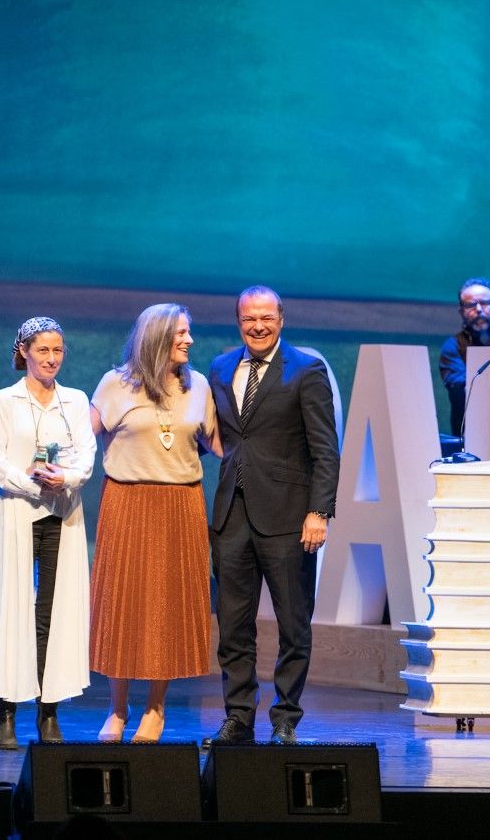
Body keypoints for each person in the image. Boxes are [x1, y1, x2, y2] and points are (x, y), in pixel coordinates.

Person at [202, 285, 340, 746]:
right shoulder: (221, 368)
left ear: (281, 318)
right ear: (237, 321)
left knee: (293, 624)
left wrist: (319, 510)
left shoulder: (306, 369)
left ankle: (285, 719)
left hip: (287, 517)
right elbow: (221, 437)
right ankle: (238, 717)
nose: (257, 326)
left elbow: (325, 450)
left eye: (266, 318)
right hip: (231, 517)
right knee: (233, 626)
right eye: (248, 319)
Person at [89, 303, 219, 744]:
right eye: (181, 333)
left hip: (180, 505)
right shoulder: (116, 384)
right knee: (123, 603)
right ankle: (118, 709)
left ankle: (156, 708)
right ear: (158, 337)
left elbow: (220, 444)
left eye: (189, 332)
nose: (189, 340)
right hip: (127, 502)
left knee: (166, 607)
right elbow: (76, 437)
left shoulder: (197, 385)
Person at [0, 317, 96, 749]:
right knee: (13, 609)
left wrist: (65, 480)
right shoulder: (5, 401)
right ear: (23, 351)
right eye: (43, 350)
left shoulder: (75, 401)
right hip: (18, 513)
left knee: (53, 613)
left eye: (58, 350)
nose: (51, 358)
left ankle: (48, 713)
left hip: (62, 515)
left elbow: (84, 456)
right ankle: (5, 712)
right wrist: (33, 483)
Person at [438, 277, 490, 436]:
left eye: (485, 303)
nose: (479, 309)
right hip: (469, 437)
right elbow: (462, 390)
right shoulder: (453, 347)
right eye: (471, 305)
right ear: (461, 311)